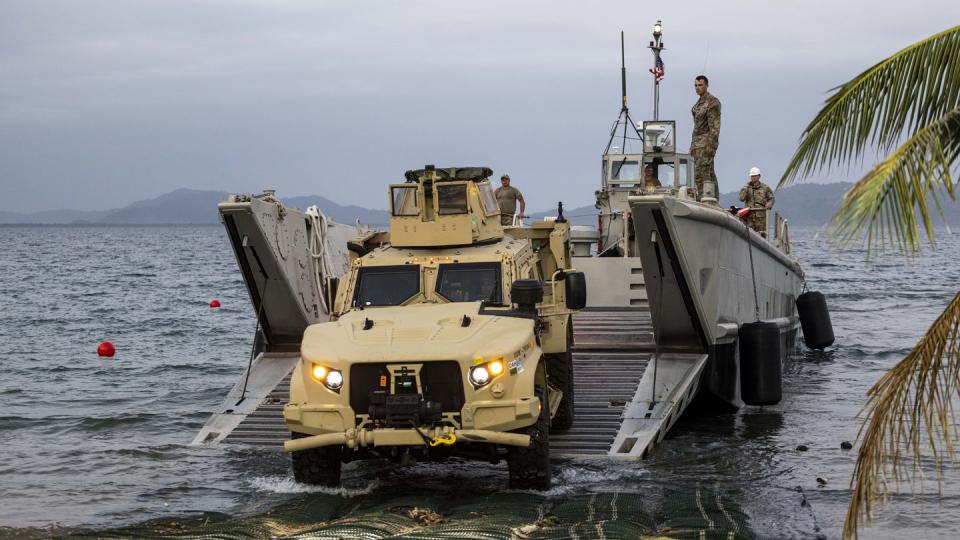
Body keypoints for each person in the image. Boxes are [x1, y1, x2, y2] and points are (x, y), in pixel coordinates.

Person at [690, 75, 721, 199]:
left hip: (706, 143)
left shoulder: (712, 103)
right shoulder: (698, 104)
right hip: (697, 144)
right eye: (696, 85)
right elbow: (696, 127)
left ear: (706, 85)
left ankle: (706, 198)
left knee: (702, 173)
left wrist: (711, 144)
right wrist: (692, 144)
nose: (697, 88)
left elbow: (715, 126)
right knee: (707, 172)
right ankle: (711, 197)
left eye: (700, 85)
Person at [738, 166, 775, 237]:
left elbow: (771, 198)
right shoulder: (746, 187)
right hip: (749, 218)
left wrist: (769, 204)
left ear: (759, 176)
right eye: (752, 176)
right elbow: (741, 198)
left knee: (762, 236)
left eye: (755, 176)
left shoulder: (765, 188)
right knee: (749, 235)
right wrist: (745, 188)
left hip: (761, 218)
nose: (753, 177)